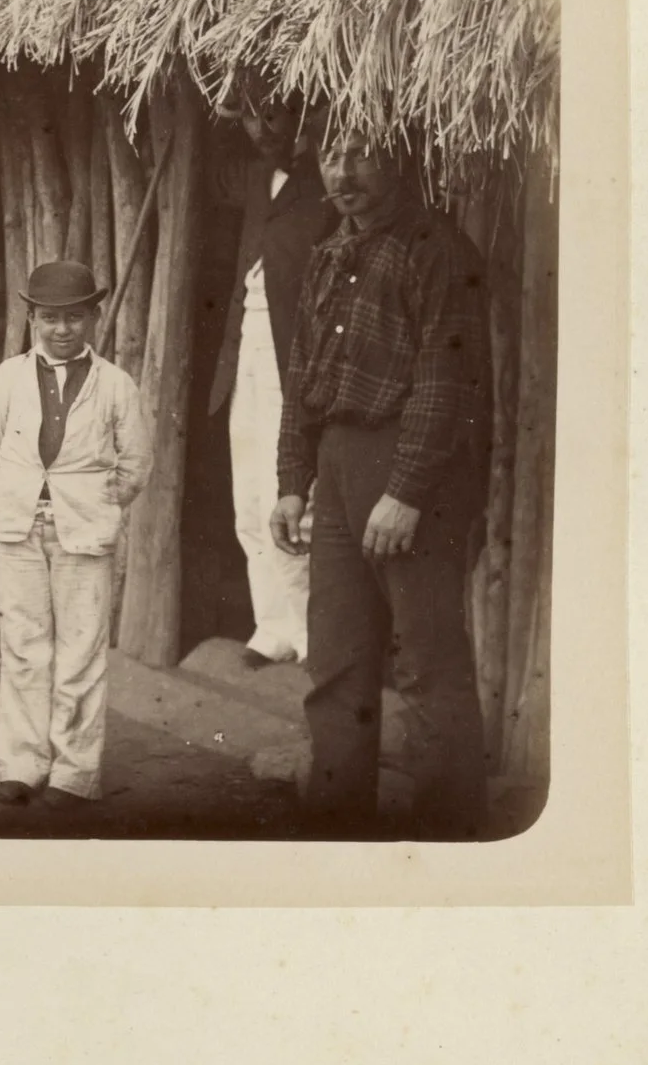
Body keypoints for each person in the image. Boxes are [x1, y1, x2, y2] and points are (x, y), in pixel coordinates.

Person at [271, 125, 492, 836]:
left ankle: (449, 833)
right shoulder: (332, 249)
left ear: (399, 155)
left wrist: (408, 492)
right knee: (337, 655)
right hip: (337, 465)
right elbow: (301, 373)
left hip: (408, 469)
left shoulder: (437, 249)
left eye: (362, 153)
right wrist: (292, 479)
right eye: (333, 154)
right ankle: (337, 822)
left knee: (427, 661)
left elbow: (444, 379)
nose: (344, 171)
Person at [0, 260, 150, 811]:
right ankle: (22, 763)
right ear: (32, 319)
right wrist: (18, 491)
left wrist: (92, 501)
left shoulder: (115, 385)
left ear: (92, 318)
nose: (61, 329)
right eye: (50, 318)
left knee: (81, 652)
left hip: (84, 532)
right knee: (24, 646)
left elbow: (135, 464)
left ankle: (75, 771)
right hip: (19, 527)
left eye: (73, 317)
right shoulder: (9, 377)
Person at [203, 74, 336, 666]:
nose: (265, 130)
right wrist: (228, 113)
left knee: (290, 493)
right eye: (254, 119)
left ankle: (311, 631)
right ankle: (272, 625)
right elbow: (215, 168)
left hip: (294, 353)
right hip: (246, 349)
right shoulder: (256, 177)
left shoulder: (325, 186)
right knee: (247, 491)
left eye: (276, 116)